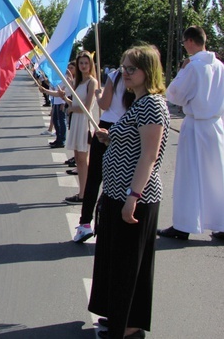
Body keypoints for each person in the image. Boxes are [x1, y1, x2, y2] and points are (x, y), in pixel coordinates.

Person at [88, 44, 170, 339]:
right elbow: (133, 143)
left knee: (129, 266)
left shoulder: (151, 104)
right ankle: (119, 319)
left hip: (134, 199)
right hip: (118, 194)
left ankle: (129, 328)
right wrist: (111, 138)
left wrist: (132, 198)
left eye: (131, 68)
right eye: (123, 67)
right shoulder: (137, 102)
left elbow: (148, 155)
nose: (125, 72)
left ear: (148, 71)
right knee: (118, 262)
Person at [159, 25, 224, 241]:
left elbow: (174, 95)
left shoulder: (192, 66)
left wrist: (181, 71)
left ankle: (184, 224)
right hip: (215, 125)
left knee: (188, 177)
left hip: (195, 126)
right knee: (217, 177)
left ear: (189, 41)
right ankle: (221, 224)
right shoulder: (220, 66)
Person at [73, 64, 133, 243]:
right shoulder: (143, 78)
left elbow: (104, 104)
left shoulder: (115, 75)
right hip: (130, 128)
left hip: (107, 126)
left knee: (94, 177)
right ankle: (120, 223)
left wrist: (100, 95)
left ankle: (85, 224)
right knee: (124, 178)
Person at [62, 51, 98, 204]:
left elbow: (87, 107)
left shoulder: (92, 82)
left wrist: (71, 109)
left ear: (91, 65)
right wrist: (65, 99)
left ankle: (84, 194)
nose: (83, 66)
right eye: (81, 63)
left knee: (83, 160)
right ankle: (82, 192)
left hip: (84, 122)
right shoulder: (79, 82)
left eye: (86, 63)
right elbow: (76, 104)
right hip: (76, 121)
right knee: (78, 159)